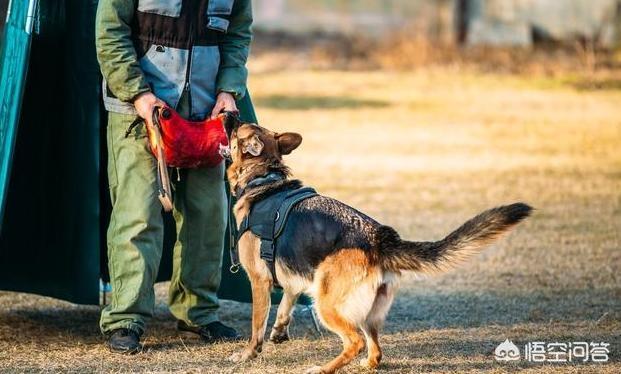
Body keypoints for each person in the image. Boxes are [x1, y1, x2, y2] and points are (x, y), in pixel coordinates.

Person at [95, 0, 252, 353]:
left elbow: (238, 34)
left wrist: (229, 89)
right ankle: (125, 319)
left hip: (206, 111)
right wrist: (137, 93)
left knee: (208, 215)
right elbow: (110, 31)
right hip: (139, 112)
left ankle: (198, 312)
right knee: (137, 216)